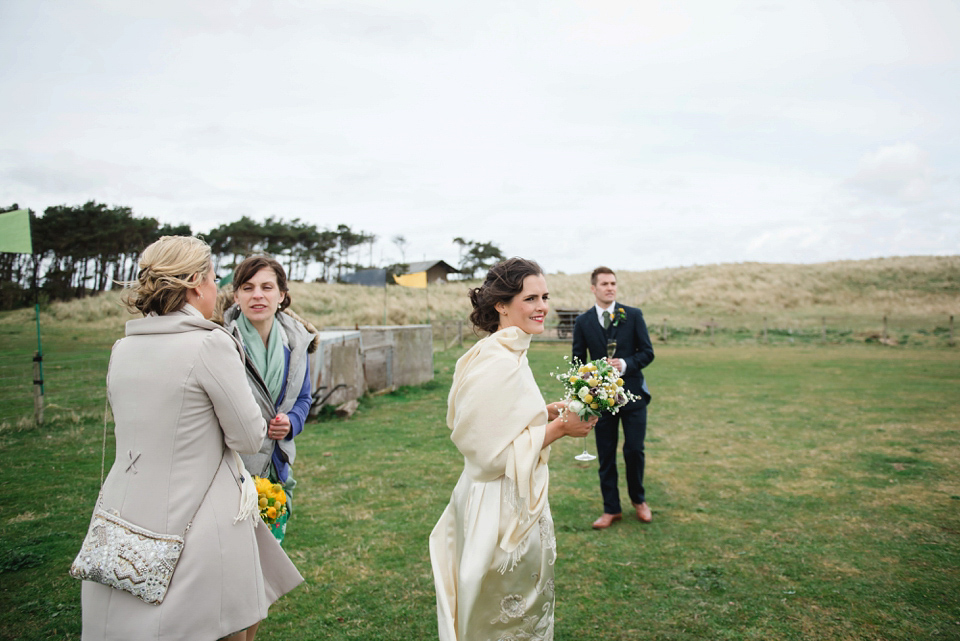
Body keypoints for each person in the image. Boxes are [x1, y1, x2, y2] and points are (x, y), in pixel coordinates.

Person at [80, 236, 302, 641]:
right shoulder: (211, 342)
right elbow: (250, 436)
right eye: (216, 279)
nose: (217, 289)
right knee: (216, 626)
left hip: (124, 513)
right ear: (197, 283)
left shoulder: (123, 347)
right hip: (198, 518)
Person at [430, 257, 598, 641]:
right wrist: (558, 428)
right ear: (501, 305)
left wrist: (543, 412)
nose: (542, 307)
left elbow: (501, 420)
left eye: (545, 296)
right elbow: (488, 455)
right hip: (496, 507)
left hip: (510, 497)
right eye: (531, 298)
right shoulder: (498, 361)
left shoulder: (509, 351)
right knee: (497, 614)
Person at [221, 255, 316, 538]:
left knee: (270, 567)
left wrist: (291, 422)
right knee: (236, 566)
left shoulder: (297, 344)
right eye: (247, 288)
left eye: (267, 287)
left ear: (282, 295)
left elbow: (304, 399)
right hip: (232, 472)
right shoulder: (221, 343)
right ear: (236, 295)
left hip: (277, 472)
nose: (257, 295)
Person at [572, 266, 655, 529]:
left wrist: (625, 364)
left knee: (634, 450)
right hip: (601, 401)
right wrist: (587, 384)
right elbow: (577, 360)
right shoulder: (582, 322)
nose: (610, 287)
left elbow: (647, 352)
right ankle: (611, 509)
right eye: (604, 284)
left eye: (613, 283)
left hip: (633, 396)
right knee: (606, 454)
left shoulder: (633, 315)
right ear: (593, 288)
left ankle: (639, 501)